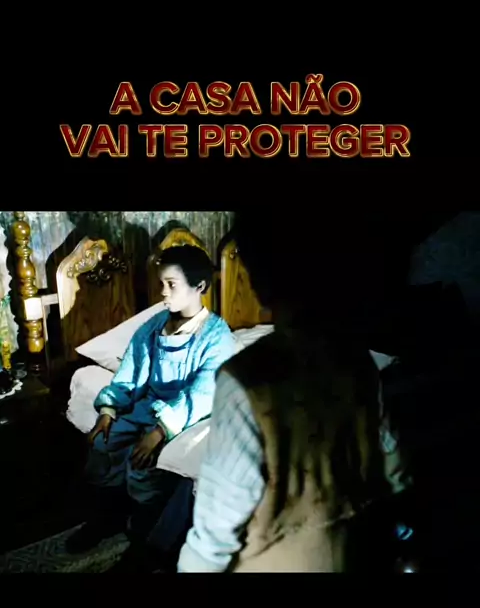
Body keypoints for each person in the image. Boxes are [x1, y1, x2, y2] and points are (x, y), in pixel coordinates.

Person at [177, 212, 412, 573]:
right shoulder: (357, 359)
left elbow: (214, 536)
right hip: (357, 553)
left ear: (257, 280)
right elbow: (394, 471)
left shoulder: (245, 380)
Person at [66, 244, 235, 558]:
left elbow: (201, 394)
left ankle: (143, 539)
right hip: (149, 405)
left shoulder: (217, 336)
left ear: (200, 286)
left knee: (143, 466)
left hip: (185, 416)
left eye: (172, 285)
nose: (163, 292)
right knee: (103, 443)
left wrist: (159, 432)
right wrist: (108, 409)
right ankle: (106, 517)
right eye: (161, 284)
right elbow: (130, 372)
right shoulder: (155, 326)